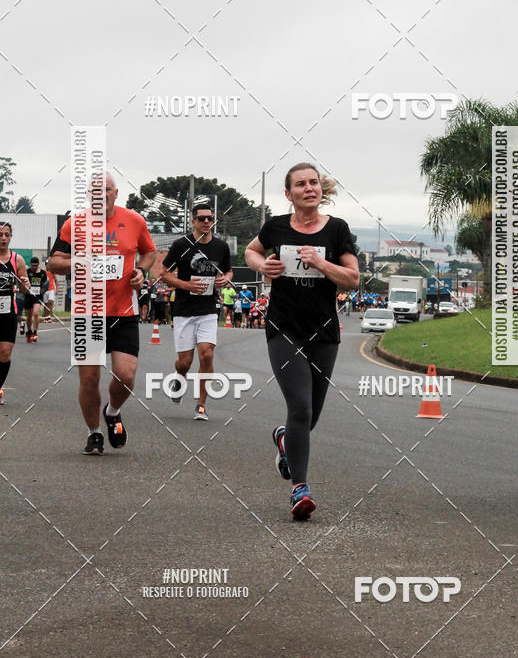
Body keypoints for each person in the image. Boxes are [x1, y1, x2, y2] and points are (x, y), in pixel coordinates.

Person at [245, 162, 359, 520]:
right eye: (301, 184)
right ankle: (300, 488)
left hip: (324, 332)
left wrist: (322, 265)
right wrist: (262, 267)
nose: (309, 188)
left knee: (310, 415)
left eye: (314, 182)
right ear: (289, 194)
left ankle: (284, 440)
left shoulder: (337, 230)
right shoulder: (276, 226)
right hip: (284, 327)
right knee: (301, 408)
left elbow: (353, 278)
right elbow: (252, 251)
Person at [48, 173, 156, 455]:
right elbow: (53, 261)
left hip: (124, 311)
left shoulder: (134, 221)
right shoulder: (75, 223)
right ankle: (94, 433)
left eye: (105, 189)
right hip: (87, 314)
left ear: (115, 193)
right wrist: (77, 260)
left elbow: (149, 253)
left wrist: (141, 272)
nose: (100, 194)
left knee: (126, 376)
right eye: (94, 191)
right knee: (88, 379)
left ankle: (113, 411)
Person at [160, 201, 232, 421]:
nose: (207, 222)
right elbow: (164, 273)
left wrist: (224, 279)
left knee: (207, 354)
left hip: (208, 309)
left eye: (210, 218)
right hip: (183, 310)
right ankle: (178, 378)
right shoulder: (181, 245)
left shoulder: (221, 246)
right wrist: (186, 285)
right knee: (185, 362)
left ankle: (201, 405)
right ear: (193, 221)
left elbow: (229, 271)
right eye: (202, 218)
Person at [0, 222, 30, 404]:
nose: (3, 238)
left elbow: (24, 289)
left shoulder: (17, 259)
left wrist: (25, 285)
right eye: (0, 234)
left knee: (5, 353)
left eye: (6, 234)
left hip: (8, 312)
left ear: (11, 237)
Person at [24, 256, 47, 342]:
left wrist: (42, 290)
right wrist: (26, 288)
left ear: (38, 265)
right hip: (28, 296)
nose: (34, 267)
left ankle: (35, 332)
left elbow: (46, 283)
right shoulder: (27, 272)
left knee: (36, 313)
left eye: (36, 266)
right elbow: (22, 282)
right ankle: (29, 330)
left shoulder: (43, 273)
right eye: (33, 265)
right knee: (29, 316)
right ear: (30, 264)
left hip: (37, 296)